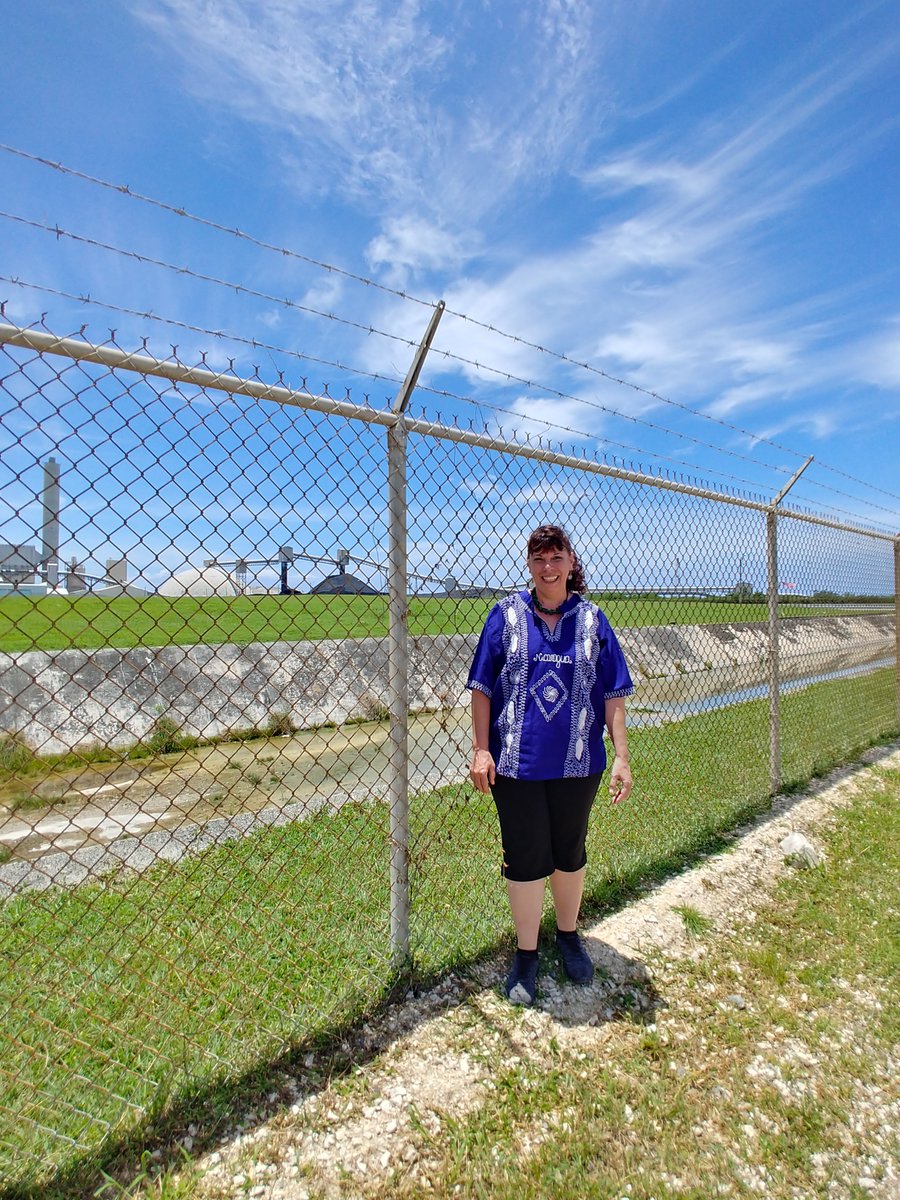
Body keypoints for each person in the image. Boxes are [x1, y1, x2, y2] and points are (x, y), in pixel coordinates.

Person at [467, 524, 634, 1005]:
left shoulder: (594, 620)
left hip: (579, 764)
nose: (547, 567)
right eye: (538, 558)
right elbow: (481, 688)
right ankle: (526, 953)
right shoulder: (504, 617)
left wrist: (621, 755)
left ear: (570, 561)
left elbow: (613, 695)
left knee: (569, 850)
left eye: (556, 556)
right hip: (516, 766)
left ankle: (567, 935)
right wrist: (482, 749)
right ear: (529, 564)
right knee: (525, 855)